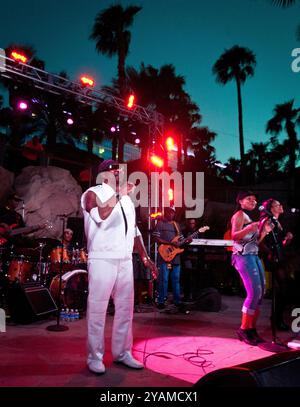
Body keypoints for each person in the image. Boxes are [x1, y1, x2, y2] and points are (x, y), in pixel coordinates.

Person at [81, 159, 157, 374]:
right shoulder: (92, 193)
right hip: (102, 258)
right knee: (97, 309)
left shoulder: (126, 200)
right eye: (113, 170)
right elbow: (100, 216)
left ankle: (123, 353)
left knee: (125, 310)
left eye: (120, 171)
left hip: (124, 259)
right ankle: (94, 357)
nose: (118, 173)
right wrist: (120, 194)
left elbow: (133, 231)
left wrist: (144, 257)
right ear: (102, 174)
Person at [231, 191, 272, 346]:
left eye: (255, 200)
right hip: (243, 256)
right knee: (253, 292)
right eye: (249, 199)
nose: (253, 202)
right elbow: (234, 236)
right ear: (240, 201)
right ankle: (243, 329)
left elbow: (256, 241)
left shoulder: (250, 218)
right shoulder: (239, 215)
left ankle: (251, 329)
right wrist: (253, 227)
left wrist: (264, 233)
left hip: (253, 255)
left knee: (261, 293)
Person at [259, 199, 293, 331]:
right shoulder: (268, 221)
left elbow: (279, 244)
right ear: (271, 208)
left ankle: (277, 319)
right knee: (282, 288)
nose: (281, 206)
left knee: (283, 289)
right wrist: (270, 253)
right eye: (278, 205)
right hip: (272, 259)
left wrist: (287, 239)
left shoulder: (277, 222)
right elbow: (260, 242)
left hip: (279, 257)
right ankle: (276, 320)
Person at [153, 206, 186, 309]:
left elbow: (181, 240)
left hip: (175, 257)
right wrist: (169, 243)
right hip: (164, 256)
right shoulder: (160, 224)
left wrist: (186, 241)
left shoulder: (177, 225)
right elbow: (156, 238)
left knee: (176, 279)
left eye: (172, 213)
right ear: (165, 213)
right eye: (168, 212)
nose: (170, 214)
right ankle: (161, 301)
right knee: (164, 279)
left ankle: (177, 300)